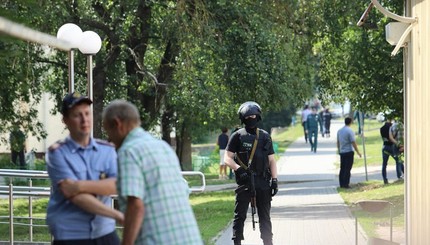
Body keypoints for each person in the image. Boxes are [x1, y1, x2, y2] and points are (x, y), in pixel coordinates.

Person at [102, 100, 203, 245]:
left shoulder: (129, 151)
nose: (109, 139)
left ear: (117, 124)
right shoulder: (162, 147)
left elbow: (135, 206)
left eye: (107, 131)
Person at [46, 92, 123, 245]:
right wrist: (119, 216)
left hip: (105, 232)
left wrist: (78, 186)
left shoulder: (107, 150)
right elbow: (75, 196)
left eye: (87, 113)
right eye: (77, 115)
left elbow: (116, 185)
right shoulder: (57, 153)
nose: (84, 120)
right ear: (65, 120)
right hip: (71, 235)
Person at [224, 101, 278, 245]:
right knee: (239, 215)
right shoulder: (237, 136)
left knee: (265, 216)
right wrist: (238, 169)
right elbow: (227, 158)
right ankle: (237, 242)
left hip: (263, 182)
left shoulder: (265, 136)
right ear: (243, 118)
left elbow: (272, 160)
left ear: (258, 116)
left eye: (254, 115)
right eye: (248, 116)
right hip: (245, 181)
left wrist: (275, 180)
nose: (251, 118)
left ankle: (268, 242)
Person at [337, 117, 362, 188]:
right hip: (349, 151)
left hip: (342, 151)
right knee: (348, 168)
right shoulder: (350, 131)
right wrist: (358, 152)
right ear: (350, 122)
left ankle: (341, 183)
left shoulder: (340, 131)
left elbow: (338, 141)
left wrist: (339, 150)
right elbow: (353, 142)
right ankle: (346, 184)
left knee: (342, 168)